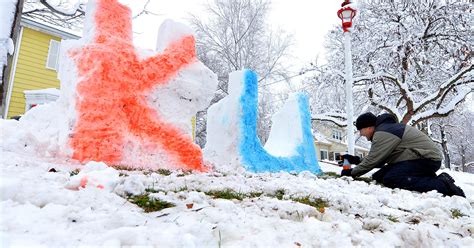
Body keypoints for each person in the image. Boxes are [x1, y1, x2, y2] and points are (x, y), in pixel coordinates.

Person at [340, 112, 465, 197]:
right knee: (380, 176)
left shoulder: (382, 133)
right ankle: (429, 177)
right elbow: (378, 159)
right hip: (416, 159)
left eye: (361, 130)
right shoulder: (385, 130)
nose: (361, 134)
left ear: (368, 127)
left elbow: (374, 160)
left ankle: (443, 185)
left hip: (426, 159)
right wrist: (355, 160)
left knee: (392, 179)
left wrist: (351, 173)